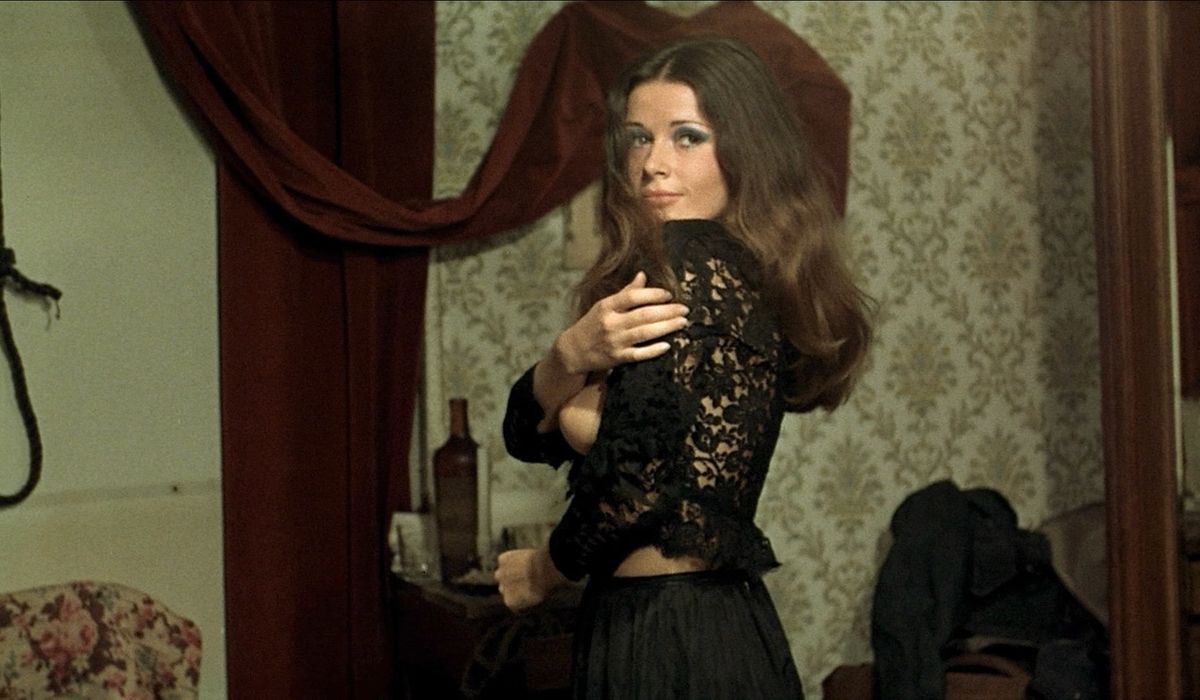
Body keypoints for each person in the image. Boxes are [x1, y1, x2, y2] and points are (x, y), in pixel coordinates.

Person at [494, 35, 871, 699]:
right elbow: (526, 437)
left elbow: (638, 490)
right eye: (638, 138)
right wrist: (568, 355)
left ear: (747, 150)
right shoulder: (732, 273)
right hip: (701, 626)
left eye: (687, 137)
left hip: (667, 636)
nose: (653, 164)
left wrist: (542, 572)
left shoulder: (695, 267)